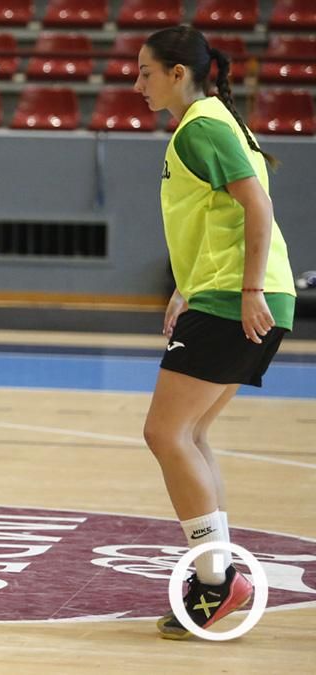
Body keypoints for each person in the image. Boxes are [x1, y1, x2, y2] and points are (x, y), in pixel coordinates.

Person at [135, 25, 296, 640]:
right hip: (229, 291)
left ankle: (216, 580)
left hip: (238, 297)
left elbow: (257, 206)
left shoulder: (201, 126)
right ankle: (218, 575)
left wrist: (248, 290)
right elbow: (217, 215)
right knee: (191, 434)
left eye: (146, 71)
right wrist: (187, 287)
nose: (137, 83)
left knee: (165, 432)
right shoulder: (212, 122)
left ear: (179, 73)